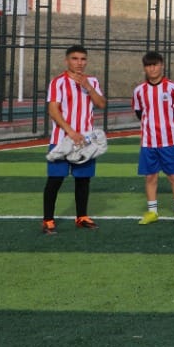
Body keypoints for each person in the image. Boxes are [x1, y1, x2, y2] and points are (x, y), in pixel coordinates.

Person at [41, 45, 106, 234]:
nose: (79, 63)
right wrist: (70, 132)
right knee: (55, 179)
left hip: (86, 142)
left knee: (83, 179)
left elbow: (101, 104)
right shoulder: (58, 82)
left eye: (83, 59)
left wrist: (87, 87)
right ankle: (48, 220)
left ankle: (82, 217)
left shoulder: (92, 81)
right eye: (75, 59)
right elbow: (53, 110)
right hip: (62, 139)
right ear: (67, 61)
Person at [132, 51, 174, 225]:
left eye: (155, 64)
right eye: (149, 65)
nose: (152, 68)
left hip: (170, 140)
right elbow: (140, 113)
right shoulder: (139, 91)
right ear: (144, 68)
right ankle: (152, 212)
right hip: (149, 141)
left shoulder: (173, 88)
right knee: (150, 177)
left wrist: (168, 125)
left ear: (162, 65)